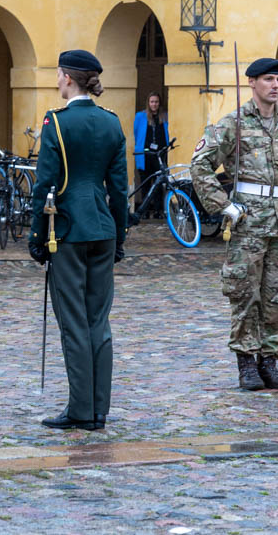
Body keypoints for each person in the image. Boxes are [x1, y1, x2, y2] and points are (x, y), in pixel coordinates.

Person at [191, 58, 278, 391]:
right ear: (252, 84)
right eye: (269, 79)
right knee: (245, 294)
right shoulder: (234, 124)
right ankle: (246, 364)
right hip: (249, 223)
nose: (275, 85)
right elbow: (200, 164)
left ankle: (269, 362)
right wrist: (224, 206)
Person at [27, 49, 128, 431]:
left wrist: (37, 235)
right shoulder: (111, 123)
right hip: (103, 227)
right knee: (98, 322)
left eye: (57, 75)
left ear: (68, 78)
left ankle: (81, 410)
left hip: (67, 231)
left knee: (73, 322)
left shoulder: (56, 122)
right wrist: (120, 235)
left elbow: (45, 185)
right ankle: (98, 408)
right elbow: (119, 189)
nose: (56, 81)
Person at [132, 91, 170, 216]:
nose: (154, 104)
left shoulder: (164, 117)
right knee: (145, 184)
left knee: (159, 183)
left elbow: (167, 134)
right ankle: (145, 210)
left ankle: (158, 210)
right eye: (152, 102)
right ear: (148, 103)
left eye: (156, 102)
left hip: (159, 155)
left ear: (159, 103)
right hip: (145, 155)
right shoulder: (140, 116)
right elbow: (137, 134)